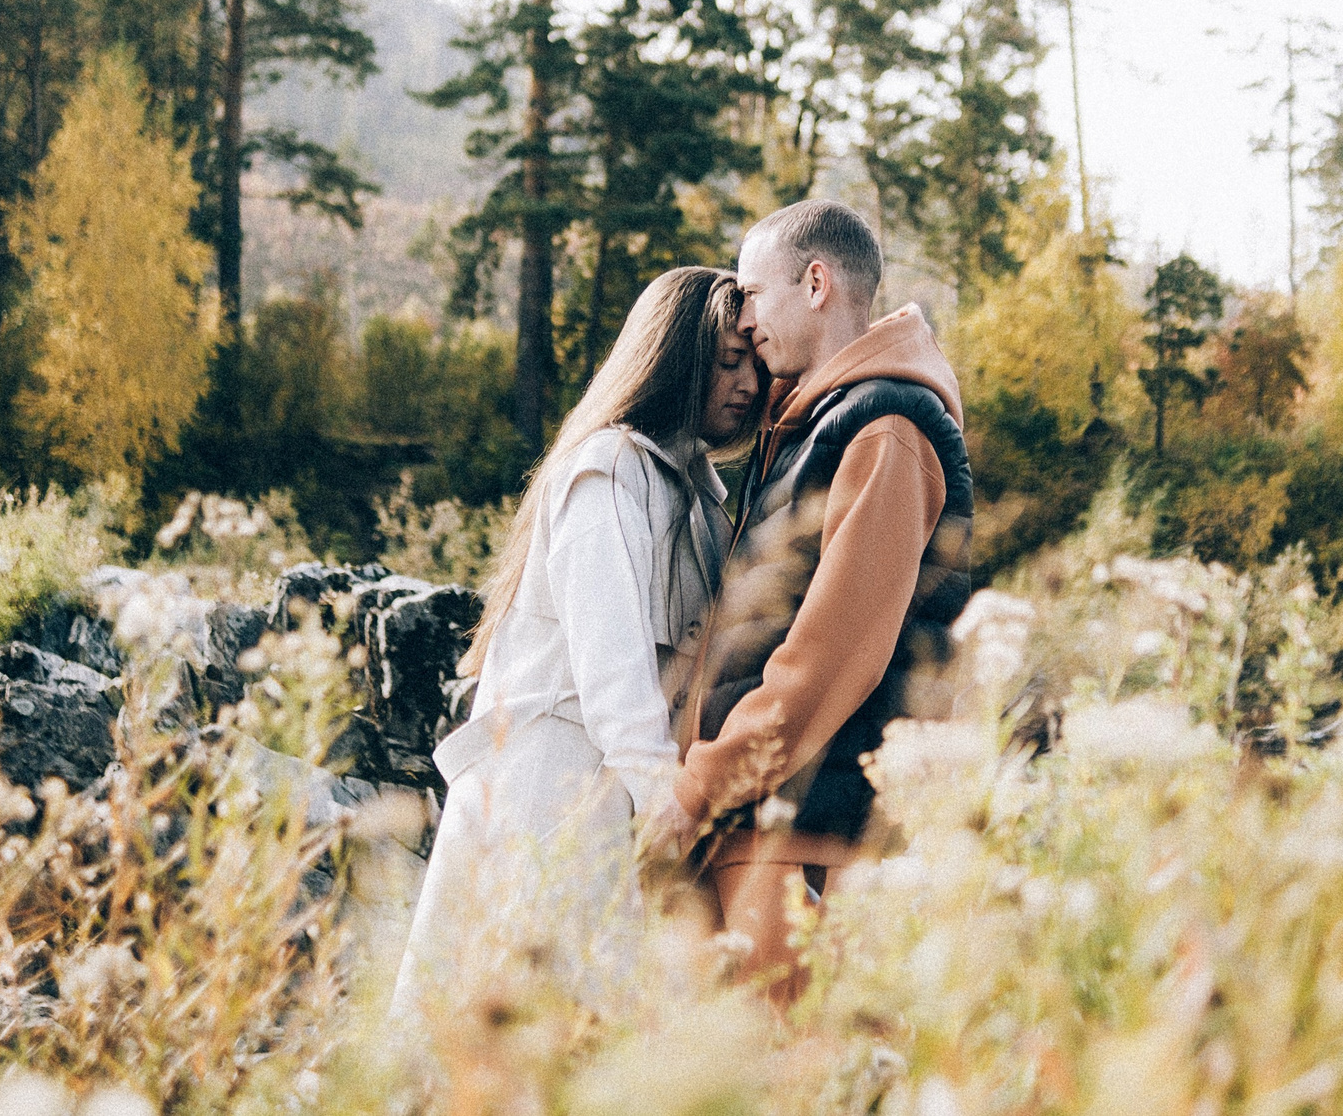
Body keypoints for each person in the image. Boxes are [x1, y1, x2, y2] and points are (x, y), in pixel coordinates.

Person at [391, 265, 764, 1018]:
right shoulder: (607, 470)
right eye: (729, 360)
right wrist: (670, 806)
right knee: (506, 1040)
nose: (750, 382)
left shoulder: (696, 493)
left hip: (605, 802)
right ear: (676, 357)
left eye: (755, 362)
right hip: (546, 790)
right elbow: (612, 665)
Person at [656, 200, 972, 1002]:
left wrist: (695, 788)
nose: (746, 317)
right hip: (762, 823)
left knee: (800, 1076)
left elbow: (828, 660)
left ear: (817, 282)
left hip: (812, 835)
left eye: (755, 294)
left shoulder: (886, 427)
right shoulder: (807, 424)